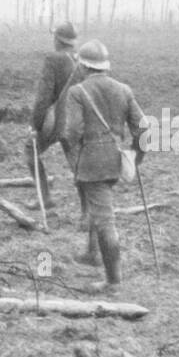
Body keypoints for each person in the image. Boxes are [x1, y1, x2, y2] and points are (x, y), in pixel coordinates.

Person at [61, 39, 147, 293]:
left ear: (84, 66)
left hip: (91, 163)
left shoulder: (77, 92)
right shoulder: (123, 89)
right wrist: (136, 155)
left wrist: (78, 156)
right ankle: (92, 254)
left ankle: (113, 281)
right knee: (100, 213)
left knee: (105, 219)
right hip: (114, 160)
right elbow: (143, 127)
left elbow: (71, 132)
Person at [28, 21, 83, 211]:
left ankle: (45, 198)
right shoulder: (81, 59)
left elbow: (43, 97)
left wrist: (35, 125)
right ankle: (86, 211)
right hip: (79, 119)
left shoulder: (53, 59)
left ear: (58, 40)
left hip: (58, 119)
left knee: (31, 150)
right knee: (77, 163)